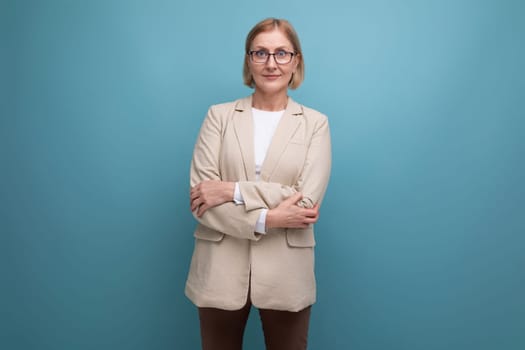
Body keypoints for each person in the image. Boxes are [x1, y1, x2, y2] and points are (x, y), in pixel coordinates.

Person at [185, 17, 332, 350]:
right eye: (260, 53)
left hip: (287, 271)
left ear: (296, 61)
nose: (271, 63)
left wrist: (231, 190)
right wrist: (270, 217)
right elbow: (202, 199)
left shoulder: (315, 124)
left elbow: (304, 202)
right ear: (248, 61)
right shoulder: (218, 116)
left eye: (282, 53)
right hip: (219, 268)